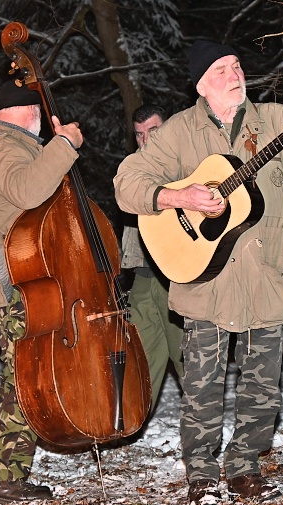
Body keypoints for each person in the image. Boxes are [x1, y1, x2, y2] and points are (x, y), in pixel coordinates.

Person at [113, 39, 283, 505]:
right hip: (205, 282)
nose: (234, 74)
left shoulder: (278, 121)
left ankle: (246, 465)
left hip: (266, 278)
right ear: (202, 85)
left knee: (261, 387)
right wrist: (179, 198)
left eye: (237, 65)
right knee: (202, 387)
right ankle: (201, 471)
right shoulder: (179, 132)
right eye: (221, 70)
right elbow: (127, 183)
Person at [0, 79, 83, 502]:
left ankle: (5, 475)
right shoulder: (6, 149)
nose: (43, 128)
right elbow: (29, 188)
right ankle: (3, 480)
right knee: (23, 382)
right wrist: (63, 144)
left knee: (21, 378)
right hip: (15, 286)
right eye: (41, 119)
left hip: (8, 281)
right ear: (30, 113)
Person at [120, 104, 184, 412]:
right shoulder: (132, 172)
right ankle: (128, 424)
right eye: (139, 134)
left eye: (153, 132)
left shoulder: (185, 167)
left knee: (186, 357)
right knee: (139, 356)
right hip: (142, 278)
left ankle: (205, 430)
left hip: (176, 280)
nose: (145, 140)